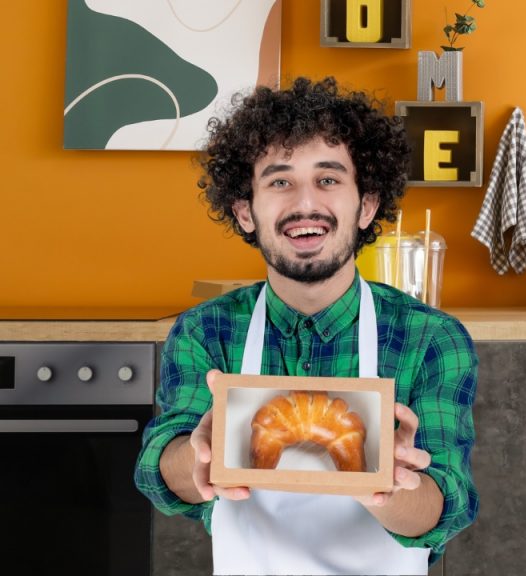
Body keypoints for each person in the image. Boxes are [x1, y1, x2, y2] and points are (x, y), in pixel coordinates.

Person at [134, 76, 479, 576]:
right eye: (279, 181)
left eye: (328, 178)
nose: (304, 203)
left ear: (366, 206)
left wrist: (385, 479)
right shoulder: (205, 332)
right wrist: (200, 451)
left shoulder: (431, 339)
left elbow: (444, 510)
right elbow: (159, 474)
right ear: (244, 211)